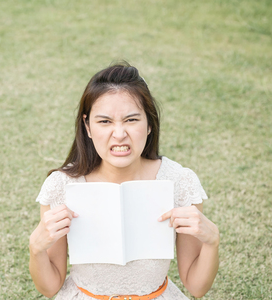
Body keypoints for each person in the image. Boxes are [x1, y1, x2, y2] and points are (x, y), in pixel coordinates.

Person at [29, 63, 219, 299]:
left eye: (131, 120)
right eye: (105, 122)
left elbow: (197, 286)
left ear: (149, 124)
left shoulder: (178, 181)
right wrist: (36, 248)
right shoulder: (62, 185)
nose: (119, 134)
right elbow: (49, 287)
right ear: (87, 126)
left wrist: (212, 240)